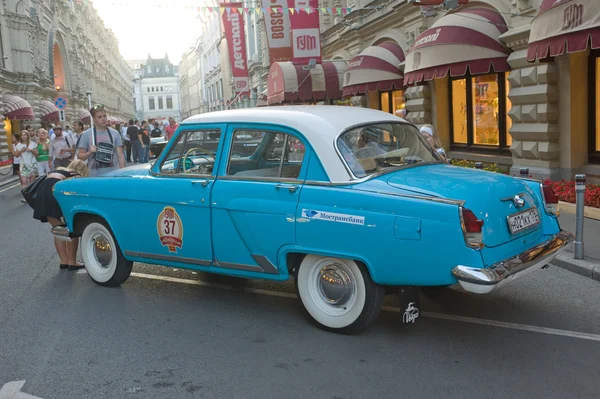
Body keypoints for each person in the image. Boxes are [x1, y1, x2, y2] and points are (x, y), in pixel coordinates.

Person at [32, 160, 89, 271]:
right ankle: (72, 262)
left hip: (42, 197)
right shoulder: (75, 175)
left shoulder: (60, 170)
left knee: (59, 230)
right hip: (55, 197)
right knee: (72, 230)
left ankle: (64, 261)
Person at [77, 104, 126, 176]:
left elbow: (120, 155)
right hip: (95, 177)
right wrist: (89, 152)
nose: (103, 119)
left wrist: (123, 173)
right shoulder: (86, 134)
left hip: (113, 175)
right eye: (99, 117)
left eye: (104, 116)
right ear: (93, 119)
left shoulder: (115, 133)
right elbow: (80, 156)